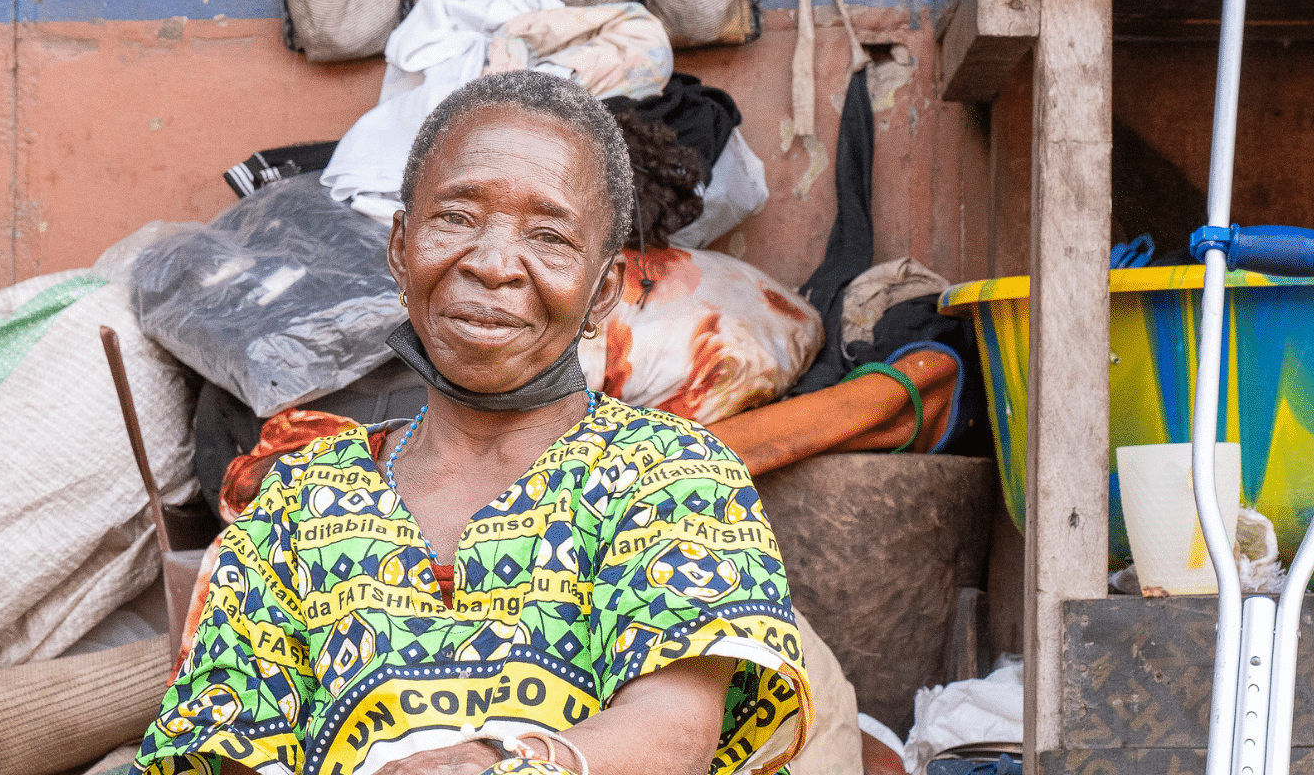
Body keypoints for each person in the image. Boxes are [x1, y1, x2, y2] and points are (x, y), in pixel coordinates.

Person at [129, 70, 810, 775]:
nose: (492, 265)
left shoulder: (669, 475)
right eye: (455, 217)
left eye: (549, 236)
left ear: (603, 290)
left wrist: (497, 763)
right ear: (400, 249)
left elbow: (674, 734)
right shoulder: (299, 502)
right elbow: (218, 747)